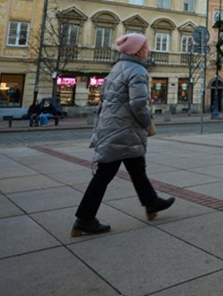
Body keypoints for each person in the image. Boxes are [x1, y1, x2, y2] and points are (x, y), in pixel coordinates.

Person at [72, 34, 174, 237]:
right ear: (137, 51)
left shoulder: (117, 69)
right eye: (146, 47)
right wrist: (147, 124)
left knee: (137, 168)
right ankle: (84, 219)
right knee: (105, 174)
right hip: (123, 130)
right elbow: (138, 104)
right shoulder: (137, 70)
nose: (149, 51)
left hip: (114, 127)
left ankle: (151, 203)